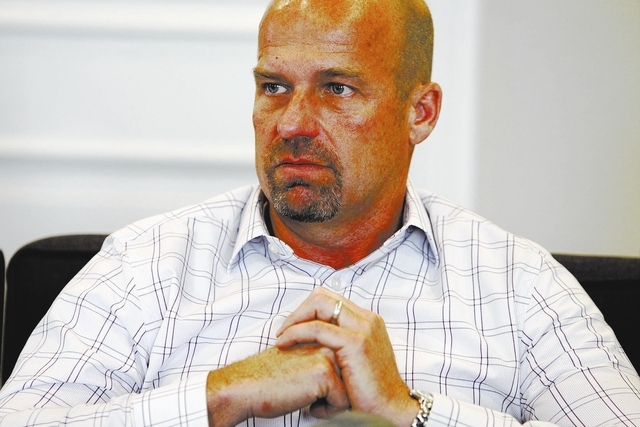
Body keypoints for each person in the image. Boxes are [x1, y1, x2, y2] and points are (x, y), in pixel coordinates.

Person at [0, 0, 638, 425]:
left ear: (420, 113)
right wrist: (217, 397)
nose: (293, 124)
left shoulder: (521, 285)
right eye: (273, 87)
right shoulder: (145, 264)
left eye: (337, 88)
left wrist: (408, 412)